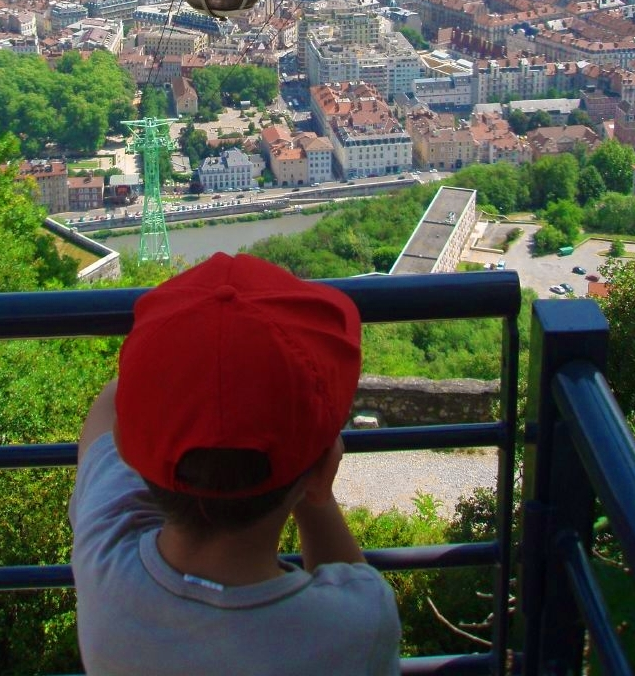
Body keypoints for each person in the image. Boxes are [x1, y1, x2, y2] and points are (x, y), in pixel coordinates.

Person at [69, 252, 401, 676]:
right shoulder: (356, 628)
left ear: (127, 445)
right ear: (322, 471)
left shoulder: (105, 553)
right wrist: (310, 480)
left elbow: (110, 406)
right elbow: (350, 579)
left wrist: (183, 357)